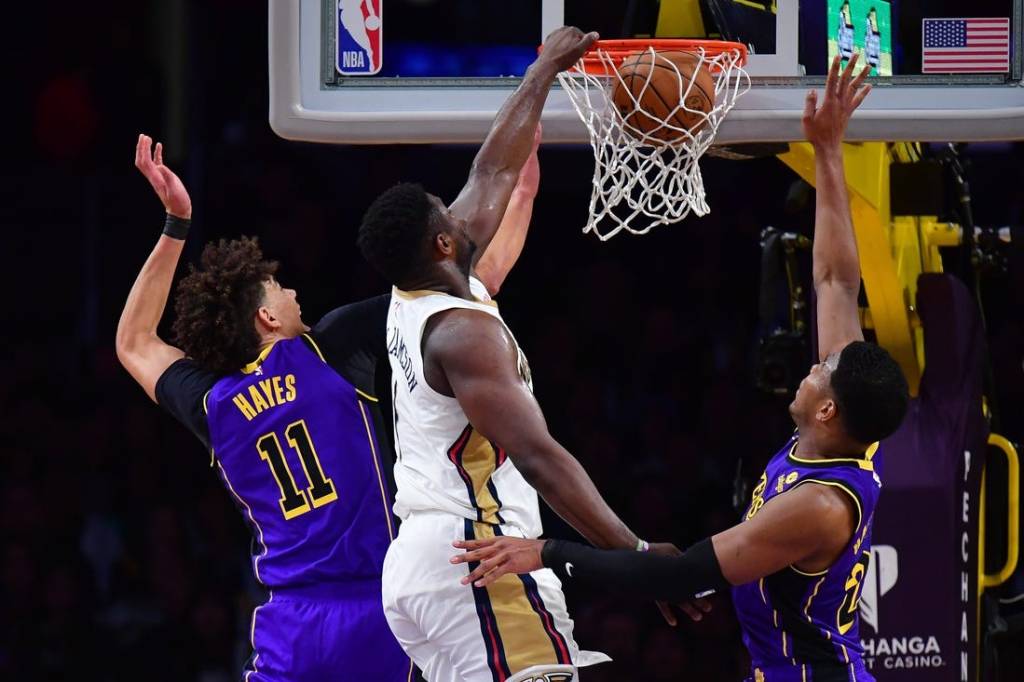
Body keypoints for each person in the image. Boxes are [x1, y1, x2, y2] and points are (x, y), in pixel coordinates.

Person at [450, 54, 911, 682]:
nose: (811, 366)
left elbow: (683, 573)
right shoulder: (844, 431)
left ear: (829, 408)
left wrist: (546, 551)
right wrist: (827, 150)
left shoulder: (820, 507)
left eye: (820, 372)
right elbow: (834, 280)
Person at [115, 132, 540, 681]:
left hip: (289, 621)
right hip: (385, 609)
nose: (293, 294)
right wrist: (522, 190)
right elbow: (466, 282)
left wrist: (176, 223)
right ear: (267, 320)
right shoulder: (332, 347)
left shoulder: (213, 404)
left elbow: (134, 342)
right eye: (280, 289)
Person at [357, 26, 698, 682]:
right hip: (478, 556)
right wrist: (635, 556)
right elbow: (542, 460)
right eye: (443, 213)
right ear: (443, 247)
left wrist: (542, 74)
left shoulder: (417, 291)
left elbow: (492, 172)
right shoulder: (464, 335)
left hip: (430, 563)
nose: (457, 209)